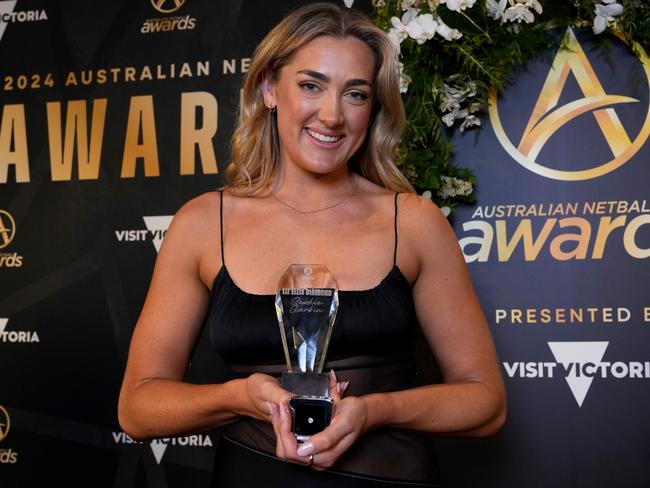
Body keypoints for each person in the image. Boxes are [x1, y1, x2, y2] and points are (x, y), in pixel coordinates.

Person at [118, 3, 506, 487]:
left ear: (374, 108)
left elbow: (485, 403)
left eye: (356, 94)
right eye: (311, 85)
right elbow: (138, 408)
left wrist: (374, 411)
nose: (332, 115)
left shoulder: (414, 223)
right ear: (268, 89)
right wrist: (238, 397)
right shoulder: (202, 224)